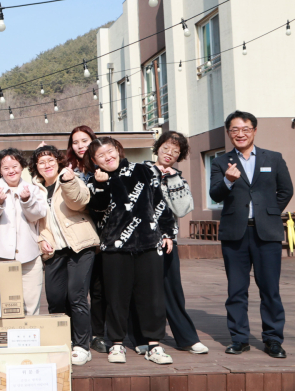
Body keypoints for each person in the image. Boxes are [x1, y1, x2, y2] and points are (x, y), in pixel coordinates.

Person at [209, 110, 293, 358]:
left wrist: (269, 212)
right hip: (235, 234)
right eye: (235, 129)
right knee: (236, 289)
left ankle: (273, 339)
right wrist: (228, 181)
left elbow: (286, 190)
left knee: (270, 289)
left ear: (254, 131)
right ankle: (239, 339)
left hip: (267, 234)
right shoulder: (221, 162)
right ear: (229, 133)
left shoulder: (273, 158)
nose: (240, 134)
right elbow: (215, 194)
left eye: (245, 129)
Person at [87, 137, 176, 365]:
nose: (108, 157)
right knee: (116, 297)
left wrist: (167, 232)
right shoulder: (94, 180)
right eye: (100, 156)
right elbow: (97, 210)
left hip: (149, 242)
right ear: (95, 161)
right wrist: (101, 185)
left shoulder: (143, 170)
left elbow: (159, 203)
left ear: (118, 150)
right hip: (114, 247)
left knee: (152, 297)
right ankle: (116, 343)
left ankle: (154, 345)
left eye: (110, 151)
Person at [131, 132, 209, 356]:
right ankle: (141, 337)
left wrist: (173, 180)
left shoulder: (178, 178)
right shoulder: (140, 171)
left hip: (168, 242)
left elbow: (183, 209)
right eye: (166, 148)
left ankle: (186, 338)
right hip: (140, 241)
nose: (169, 154)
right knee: (141, 290)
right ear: (157, 148)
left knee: (173, 290)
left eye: (175, 152)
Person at [32, 145, 99, 366]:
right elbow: (38, 223)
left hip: (80, 245)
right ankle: (62, 340)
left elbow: (79, 202)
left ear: (59, 161)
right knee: (55, 298)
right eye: (41, 162)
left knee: (76, 295)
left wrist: (68, 182)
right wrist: (42, 240)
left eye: (50, 160)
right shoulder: (36, 189)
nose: (47, 165)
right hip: (55, 250)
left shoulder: (70, 178)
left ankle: (82, 345)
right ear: (36, 167)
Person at [0, 148, 47, 315]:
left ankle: (31, 332)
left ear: (22, 167)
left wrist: (27, 200)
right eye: (6, 168)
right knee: (7, 305)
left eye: (15, 166)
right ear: (0, 170)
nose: (11, 171)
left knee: (31, 306)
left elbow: (38, 215)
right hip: (2, 256)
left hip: (30, 256)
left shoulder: (32, 189)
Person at [66, 125, 108, 355]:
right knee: (77, 290)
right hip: (79, 236)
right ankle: (78, 333)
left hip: (104, 235)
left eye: (84, 140)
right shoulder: (69, 169)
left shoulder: (102, 167)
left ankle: (98, 333)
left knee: (99, 288)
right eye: (75, 142)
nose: (80, 146)